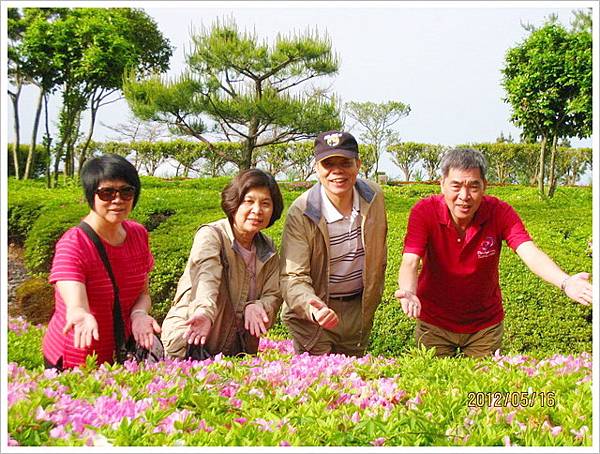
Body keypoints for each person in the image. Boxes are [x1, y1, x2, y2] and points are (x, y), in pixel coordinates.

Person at [395, 148, 593, 357]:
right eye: (456, 186)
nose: (464, 196)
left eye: (473, 186)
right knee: (430, 386)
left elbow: (529, 252)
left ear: (484, 186)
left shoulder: (499, 211)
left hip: (485, 327)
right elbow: (410, 261)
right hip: (434, 323)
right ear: (442, 184)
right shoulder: (424, 211)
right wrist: (408, 291)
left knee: (486, 387)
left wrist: (565, 281)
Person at [42, 154, 159, 369]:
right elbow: (74, 298)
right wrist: (79, 312)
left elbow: (143, 293)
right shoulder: (74, 243)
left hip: (119, 353)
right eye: (107, 193)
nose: (117, 200)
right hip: (76, 355)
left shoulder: (138, 234)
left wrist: (139, 314)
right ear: (91, 196)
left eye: (126, 191)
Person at [280, 131, 388, 357]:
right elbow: (293, 276)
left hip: (358, 310)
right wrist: (312, 305)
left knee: (354, 385)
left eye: (345, 163)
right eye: (328, 164)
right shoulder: (302, 211)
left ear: (358, 165)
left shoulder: (374, 197)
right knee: (319, 386)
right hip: (315, 313)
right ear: (317, 168)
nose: (337, 171)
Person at [161, 169, 284, 358]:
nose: (257, 210)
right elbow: (207, 277)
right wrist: (204, 312)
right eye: (249, 201)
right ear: (234, 203)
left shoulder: (268, 248)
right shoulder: (211, 235)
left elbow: (273, 294)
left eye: (266, 203)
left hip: (234, 350)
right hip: (191, 342)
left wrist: (260, 306)